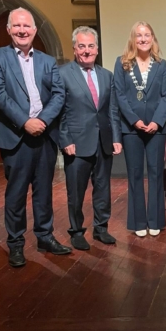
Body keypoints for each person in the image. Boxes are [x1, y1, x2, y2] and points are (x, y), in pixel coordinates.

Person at [0, 7, 71, 267]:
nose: (22, 30)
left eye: (27, 26)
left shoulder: (47, 60)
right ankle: (16, 244)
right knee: (16, 193)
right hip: (15, 135)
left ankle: (45, 236)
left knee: (44, 191)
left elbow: (58, 94)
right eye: (17, 26)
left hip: (44, 135)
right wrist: (25, 122)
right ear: (9, 30)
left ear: (34, 30)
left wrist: (42, 121)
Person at [59, 26, 122, 250]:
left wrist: (116, 136)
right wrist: (65, 140)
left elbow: (112, 110)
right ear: (75, 49)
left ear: (97, 48)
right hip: (76, 144)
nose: (87, 51)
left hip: (103, 141)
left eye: (91, 46)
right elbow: (60, 111)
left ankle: (101, 228)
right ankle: (76, 231)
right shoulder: (63, 74)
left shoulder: (106, 76)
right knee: (75, 191)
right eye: (82, 46)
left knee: (103, 187)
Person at [114, 22, 166, 237]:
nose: (143, 39)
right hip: (131, 129)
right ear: (133, 39)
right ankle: (138, 222)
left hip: (156, 129)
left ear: (153, 38)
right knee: (135, 175)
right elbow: (120, 96)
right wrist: (134, 120)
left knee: (156, 174)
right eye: (139, 35)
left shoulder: (161, 65)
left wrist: (156, 122)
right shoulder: (122, 64)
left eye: (147, 35)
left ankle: (155, 221)